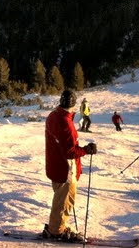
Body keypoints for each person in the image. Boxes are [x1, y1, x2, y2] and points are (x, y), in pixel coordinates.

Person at [43, 89, 97, 242]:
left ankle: (58, 226)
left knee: (61, 200)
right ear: (73, 105)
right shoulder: (64, 122)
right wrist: (86, 150)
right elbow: (69, 152)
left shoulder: (54, 115)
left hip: (56, 165)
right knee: (65, 201)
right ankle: (56, 231)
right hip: (64, 169)